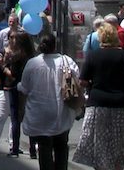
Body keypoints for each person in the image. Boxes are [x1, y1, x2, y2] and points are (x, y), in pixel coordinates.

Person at [72, 20, 124, 170]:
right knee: (119, 146)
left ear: (101, 38)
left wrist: (94, 84)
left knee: (99, 145)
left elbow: (82, 81)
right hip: (121, 103)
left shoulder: (93, 55)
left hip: (98, 103)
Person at [18, 32, 79, 170]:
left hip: (40, 112)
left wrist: (21, 110)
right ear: (55, 45)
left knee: (44, 147)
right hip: (62, 111)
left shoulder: (32, 64)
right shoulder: (67, 61)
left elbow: (24, 89)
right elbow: (77, 81)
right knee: (62, 145)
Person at [0, 28, 36, 156]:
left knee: (15, 119)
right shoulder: (31, 56)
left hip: (15, 88)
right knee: (29, 118)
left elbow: (12, 75)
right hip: (29, 89)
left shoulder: (17, 57)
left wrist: (4, 65)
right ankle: (33, 150)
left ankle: (15, 149)